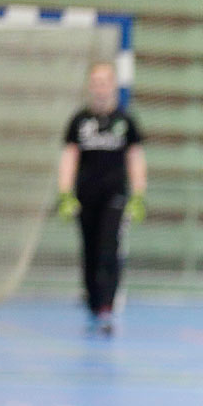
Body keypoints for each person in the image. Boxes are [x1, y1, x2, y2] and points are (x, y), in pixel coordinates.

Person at [57, 62, 146, 336]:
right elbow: (70, 157)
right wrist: (65, 192)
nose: (100, 87)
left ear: (113, 85)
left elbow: (135, 158)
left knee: (109, 248)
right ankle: (94, 303)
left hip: (115, 196)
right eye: (95, 81)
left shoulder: (125, 121)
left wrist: (139, 194)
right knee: (91, 251)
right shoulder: (79, 121)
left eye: (105, 81)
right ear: (90, 86)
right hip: (85, 197)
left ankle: (107, 306)